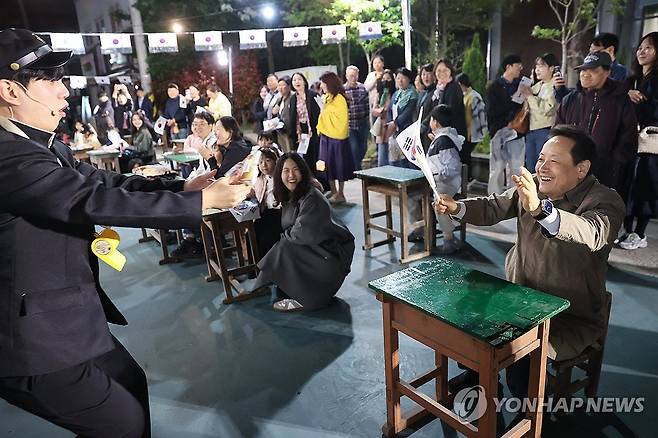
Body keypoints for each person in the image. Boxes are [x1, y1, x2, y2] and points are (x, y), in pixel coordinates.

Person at [0, 28, 251, 438]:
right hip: (31, 342)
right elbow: (92, 200)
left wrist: (185, 188)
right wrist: (202, 204)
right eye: (49, 80)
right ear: (10, 90)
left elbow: (105, 183)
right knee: (124, 424)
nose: (64, 91)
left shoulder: (45, 146)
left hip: (68, 319)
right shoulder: (8, 157)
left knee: (130, 383)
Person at [434, 126, 625, 425]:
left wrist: (540, 209)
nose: (542, 167)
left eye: (554, 161)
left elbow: (591, 232)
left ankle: (530, 418)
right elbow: (493, 206)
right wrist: (457, 207)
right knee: (465, 319)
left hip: (569, 316)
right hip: (519, 298)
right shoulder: (534, 185)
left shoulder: (605, 201)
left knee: (519, 359)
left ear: (581, 168)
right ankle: (480, 377)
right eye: (541, 158)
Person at [253, 152, 355, 311]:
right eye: (286, 171)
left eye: (295, 170)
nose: (291, 175)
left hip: (330, 256)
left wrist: (283, 239)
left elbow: (301, 233)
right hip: (317, 249)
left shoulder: (312, 196)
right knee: (271, 233)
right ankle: (270, 284)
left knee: (284, 246)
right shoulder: (291, 195)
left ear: (303, 172)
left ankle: (307, 299)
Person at [555, 51, 638, 192]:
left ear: (607, 72)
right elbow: (558, 133)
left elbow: (629, 136)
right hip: (571, 170)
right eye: (583, 70)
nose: (585, 74)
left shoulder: (620, 100)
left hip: (605, 174)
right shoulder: (570, 99)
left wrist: (615, 165)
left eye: (593, 70)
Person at [618, 32, 658, 250]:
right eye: (640, 47)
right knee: (627, 185)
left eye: (648, 48)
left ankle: (640, 234)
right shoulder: (631, 80)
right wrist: (628, 95)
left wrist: (639, 102)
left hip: (650, 142)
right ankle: (628, 231)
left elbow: (653, 112)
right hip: (630, 140)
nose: (642, 51)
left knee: (644, 187)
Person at [422, 105, 464, 253]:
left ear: (436, 122)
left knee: (439, 200)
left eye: (431, 120)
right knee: (416, 195)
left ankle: (448, 238)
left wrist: (436, 176)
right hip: (442, 179)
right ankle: (421, 227)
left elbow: (451, 168)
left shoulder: (444, 141)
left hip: (447, 182)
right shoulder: (442, 138)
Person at [487, 54, 525, 194]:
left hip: (517, 132)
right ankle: (494, 198)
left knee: (516, 168)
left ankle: (513, 197)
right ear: (508, 67)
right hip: (499, 131)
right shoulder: (495, 87)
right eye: (517, 66)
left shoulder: (521, 85)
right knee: (497, 168)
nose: (520, 69)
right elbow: (491, 111)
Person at [317, 71, 353, 204]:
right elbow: (324, 114)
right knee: (327, 165)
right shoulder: (327, 97)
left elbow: (341, 119)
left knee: (339, 165)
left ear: (330, 83)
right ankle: (333, 191)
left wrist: (324, 111)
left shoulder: (339, 99)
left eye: (323, 83)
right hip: (325, 135)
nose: (321, 86)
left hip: (337, 138)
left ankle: (341, 193)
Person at [520, 53, 558, 171]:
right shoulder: (537, 85)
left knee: (542, 166)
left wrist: (530, 97)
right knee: (530, 166)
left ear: (551, 68)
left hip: (545, 130)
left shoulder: (555, 86)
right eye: (536, 66)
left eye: (541, 66)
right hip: (530, 130)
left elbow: (547, 109)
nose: (537, 70)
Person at [289, 72, 325, 188]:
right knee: (306, 159)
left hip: (314, 129)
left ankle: (322, 184)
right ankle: (311, 184)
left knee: (317, 157)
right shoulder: (293, 98)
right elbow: (292, 117)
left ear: (304, 81)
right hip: (301, 132)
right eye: (294, 80)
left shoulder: (312, 95)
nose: (297, 82)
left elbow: (320, 112)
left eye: (299, 79)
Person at [252, 147, 283, 257]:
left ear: (276, 161)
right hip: (265, 213)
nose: (264, 165)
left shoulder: (282, 176)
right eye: (260, 162)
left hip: (281, 213)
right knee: (252, 234)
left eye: (268, 160)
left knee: (268, 238)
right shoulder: (260, 179)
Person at [456, 73, 487, 175]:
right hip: (465, 131)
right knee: (464, 156)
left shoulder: (474, 96)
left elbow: (481, 115)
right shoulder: (464, 95)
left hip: (471, 131)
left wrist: (482, 132)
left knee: (466, 156)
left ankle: (468, 177)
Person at [428, 59, 467, 139]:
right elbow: (432, 112)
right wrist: (429, 130)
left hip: (452, 135)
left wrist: (436, 129)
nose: (442, 73)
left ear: (451, 72)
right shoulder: (437, 90)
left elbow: (450, 112)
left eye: (445, 70)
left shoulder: (454, 87)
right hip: (439, 134)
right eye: (439, 70)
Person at [388, 67, 418, 167]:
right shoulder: (396, 94)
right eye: (398, 78)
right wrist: (390, 124)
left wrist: (395, 123)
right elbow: (390, 109)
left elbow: (408, 112)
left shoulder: (413, 94)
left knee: (407, 160)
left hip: (407, 131)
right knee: (396, 160)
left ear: (409, 79)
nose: (400, 81)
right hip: (395, 132)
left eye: (403, 78)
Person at [344, 65, 370, 171]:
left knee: (363, 147)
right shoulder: (343, 90)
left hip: (363, 123)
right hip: (350, 124)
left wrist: (367, 119)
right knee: (354, 148)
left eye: (355, 75)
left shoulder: (362, 88)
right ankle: (357, 170)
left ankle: (355, 164)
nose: (353, 78)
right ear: (346, 76)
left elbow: (367, 105)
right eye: (351, 76)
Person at [372, 70, 395, 166]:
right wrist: (380, 111)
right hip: (381, 127)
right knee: (382, 155)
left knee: (393, 157)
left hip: (392, 127)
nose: (385, 81)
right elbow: (373, 111)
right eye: (383, 79)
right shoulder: (379, 95)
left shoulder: (395, 94)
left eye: (388, 78)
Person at [416, 63, 436, 150]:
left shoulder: (436, 92)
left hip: (429, 131)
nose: (426, 77)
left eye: (428, 74)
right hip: (418, 132)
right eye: (423, 74)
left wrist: (423, 125)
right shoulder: (422, 93)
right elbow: (416, 111)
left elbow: (433, 111)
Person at [272, 76, 293, 153]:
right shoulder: (279, 99)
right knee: (284, 152)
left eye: (283, 85)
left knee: (291, 152)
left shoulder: (293, 97)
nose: (280, 88)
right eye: (279, 85)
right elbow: (274, 112)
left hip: (290, 132)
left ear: (289, 86)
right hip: (281, 131)